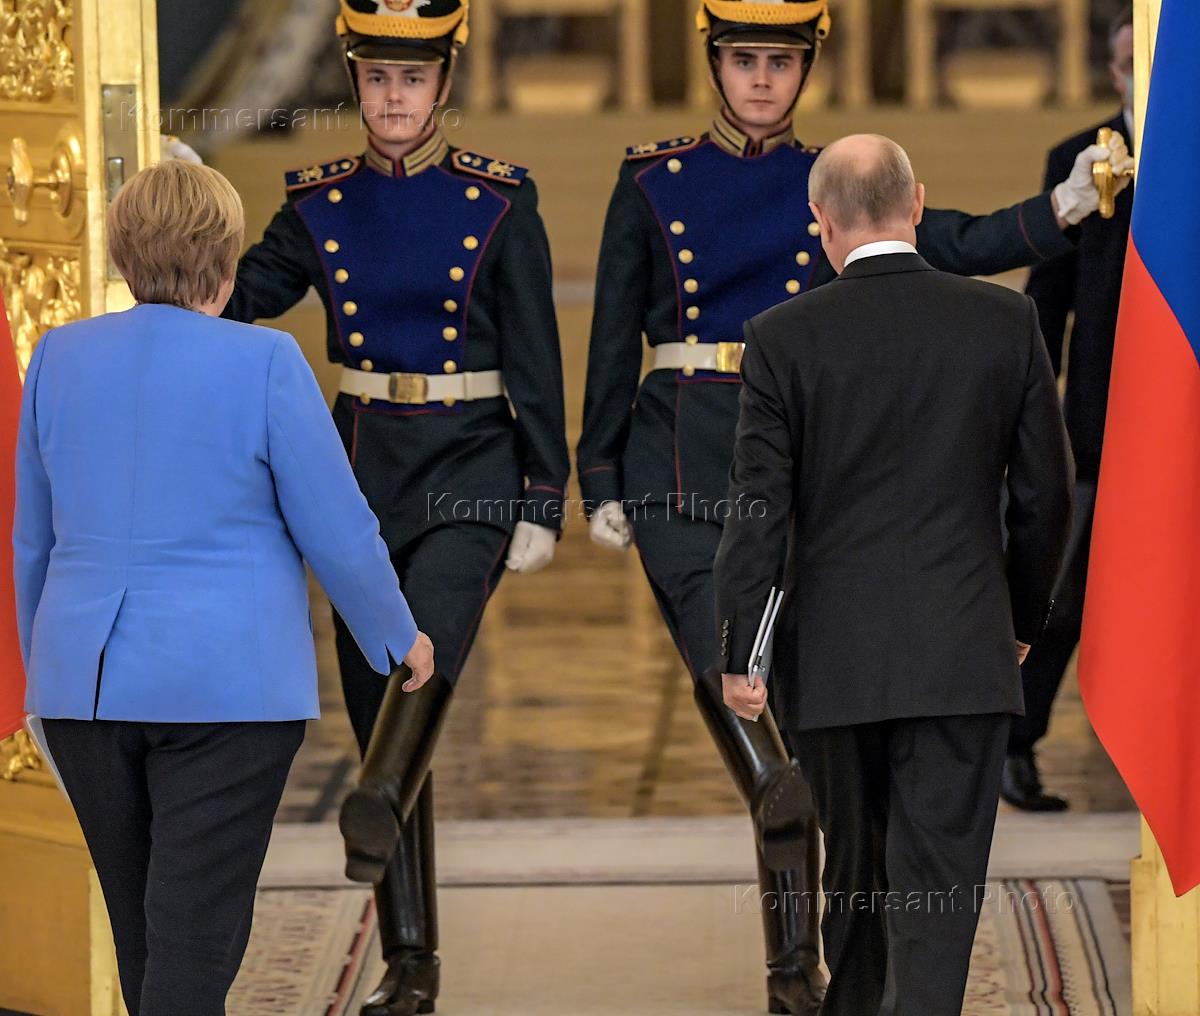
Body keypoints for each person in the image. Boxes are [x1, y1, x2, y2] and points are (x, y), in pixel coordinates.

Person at [574, 1, 1128, 1010]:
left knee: (839, 812)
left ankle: (815, 963)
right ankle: (823, 947)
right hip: (690, 459)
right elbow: (615, 331)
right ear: (713, 63)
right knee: (875, 827)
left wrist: (1056, 209)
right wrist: (599, 471)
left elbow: (956, 238)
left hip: (817, 502)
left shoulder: (835, 190)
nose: (760, 79)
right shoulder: (656, 180)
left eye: (779, 62)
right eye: (743, 59)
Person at [12, 160, 433, 1016]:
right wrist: (397, 636)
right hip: (226, 690)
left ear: (122, 258)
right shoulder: (265, 360)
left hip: (84, 685)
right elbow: (336, 526)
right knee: (195, 942)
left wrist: (43, 672)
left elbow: (32, 540)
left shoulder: (58, 356)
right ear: (229, 265)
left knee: (145, 936)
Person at [222, 2, 570, 1012]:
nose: (393, 97)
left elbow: (537, 354)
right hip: (360, 468)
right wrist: (178, 221)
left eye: (412, 79)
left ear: (444, 84)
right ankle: (412, 961)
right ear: (355, 81)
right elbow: (234, 296)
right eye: (377, 78)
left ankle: (374, 795)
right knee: (380, 698)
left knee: (433, 637)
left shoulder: (499, 199)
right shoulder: (319, 202)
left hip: (473, 458)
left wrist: (544, 493)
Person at [715, 134, 1074, 1016]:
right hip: (963, 649)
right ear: (917, 205)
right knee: (939, 891)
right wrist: (1017, 620)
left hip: (832, 660)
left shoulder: (780, 336)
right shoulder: (1003, 321)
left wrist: (742, 650)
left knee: (858, 879)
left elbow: (759, 509)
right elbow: (1045, 499)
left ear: (821, 222)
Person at [1002, 4, 1135, 812]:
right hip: (1098, 421)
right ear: (1113, 71)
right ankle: (1014, 748)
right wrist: (1032, 413)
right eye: (1128, 61)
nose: (1140, 74)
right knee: (1063, 593)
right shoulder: (1080, 157)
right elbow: (1047, 298)